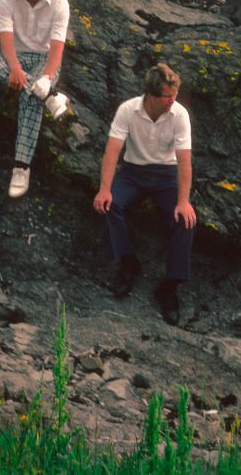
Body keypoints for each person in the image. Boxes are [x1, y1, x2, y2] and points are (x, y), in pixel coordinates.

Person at [93, 64, 196, 325]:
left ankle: (169, 288)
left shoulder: (179, 115)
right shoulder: (128, 110)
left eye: (175, 94)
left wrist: (183, 202)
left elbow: (184, 161)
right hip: (133, 171)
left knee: (185, 221)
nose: (172, 100)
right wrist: (104, 189)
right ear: (150, 95)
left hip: (166, 175)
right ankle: (129, 264)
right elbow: (112, 151)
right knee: (110, 205)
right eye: (166, 96)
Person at [0, 0, 70, 198]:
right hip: (17, 57)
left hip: (45, 59)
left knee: (30, 98)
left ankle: (21, 167)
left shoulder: (60, 2)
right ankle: (52, 97)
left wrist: (46, 77)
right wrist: (14, 68)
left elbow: (57, 46)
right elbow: (6, 40)